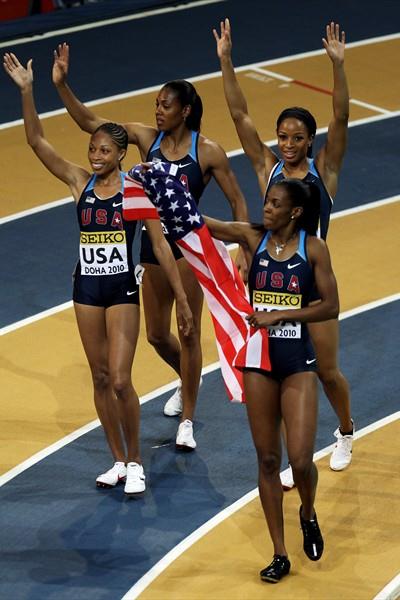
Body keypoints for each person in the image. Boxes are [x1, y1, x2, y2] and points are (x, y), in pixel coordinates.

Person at [3, 52, 193, 495]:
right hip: (86, 289)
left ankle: (139, 463)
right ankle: (119, 460)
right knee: (101, 377)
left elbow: (160, 245)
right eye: (92, 149)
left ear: (121, 154)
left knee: (123, 379)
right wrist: (29, 92)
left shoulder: (135, 191)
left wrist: (183, 298)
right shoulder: (78, 184)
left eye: (104, 150)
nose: (95, 156)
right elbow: (36, 142)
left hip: (122, 291)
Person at [51, 43, 249, 450]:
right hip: (153, 247)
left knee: (189, 332)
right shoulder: (145, 138)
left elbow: (237, 200)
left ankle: (189, 419)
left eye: (165, 105)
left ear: (185, 111)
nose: (158, 110)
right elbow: (92, 123)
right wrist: (62, 85)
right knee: (158, 335)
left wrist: (243, 248)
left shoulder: (207, 151)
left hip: (190, 249)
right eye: (156, 104)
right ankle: (188, 379)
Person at [213, 19, 354, 481]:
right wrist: (226, 62)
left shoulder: (323, 174)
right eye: (283, 137)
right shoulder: (267, 170)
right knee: (280, 373)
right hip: (271, 284)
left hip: (312, 283)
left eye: (297, 138)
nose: (288, 144)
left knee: (326, 371)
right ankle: (297, 454)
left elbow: (341, 118)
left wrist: (337, 66)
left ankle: (346, 430)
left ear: (309, 142)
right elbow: (240, 117)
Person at [203, 178, 339, 582]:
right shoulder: (251, 237)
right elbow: (202, 224)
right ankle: (280, 553)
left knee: (299, 459)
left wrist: (281, 315)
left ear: (295, 212)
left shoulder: (313, 249)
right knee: (267, 459)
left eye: (275, 204)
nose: (266, 208)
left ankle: (308, 512)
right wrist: (163, 194)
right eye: (266, 201)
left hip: (297, 359)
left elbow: (331, 306)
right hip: (258, 361)